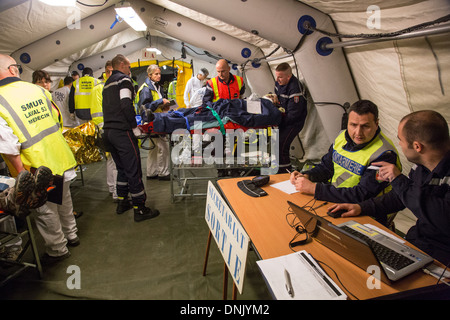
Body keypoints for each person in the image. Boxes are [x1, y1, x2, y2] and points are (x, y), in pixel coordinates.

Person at [328, 110, 450, 265]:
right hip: (419, 244)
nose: (399, 144)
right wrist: (361, 208)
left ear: (417, 146)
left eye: (401, 140)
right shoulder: (421, 167)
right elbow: (401, 197)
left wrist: (398, 179)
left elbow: (442, 218)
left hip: (442, 257)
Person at [0, 54, 80, 263]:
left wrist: (22, 179)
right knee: (64, 201)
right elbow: (57, 120)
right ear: (12, 70)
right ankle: (72, 235)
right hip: (60, 157)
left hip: (34, 166)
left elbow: (8, 146)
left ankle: (57, 250)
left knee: (46, 212)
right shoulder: (38, 90)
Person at [290, 100, 402, 225]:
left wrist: (314, 189)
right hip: (335, 201)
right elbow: (327, 167)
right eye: (353, 125)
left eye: (365, 126)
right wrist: (307, 175)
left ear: (376, 124)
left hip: (367, 216)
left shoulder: (384, 154)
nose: (358, 133)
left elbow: (362, 195)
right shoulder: (342, 137)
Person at [102, 54, 160, 222]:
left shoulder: (107, 83)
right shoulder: (124, 81)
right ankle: (140, 209)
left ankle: (122, 202)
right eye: (128, 66)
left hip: (109, 132)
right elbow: (126, 104)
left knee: (122, 169)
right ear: (122, 65)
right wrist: (134, 127)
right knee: (133, 170)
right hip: (122, 132)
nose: (130, 70)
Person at [135, 64, 171, 180]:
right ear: (149, 75)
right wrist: (160, 101)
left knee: (154, 148)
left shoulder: (156, 87)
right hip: (154, 121)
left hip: (157, 119)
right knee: (163, 147)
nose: (159, 76)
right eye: (156, 74)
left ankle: (152, 172)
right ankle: (163, 173)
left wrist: (164, 106)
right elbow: (144, 108)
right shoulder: (146, 89)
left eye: (159, 73)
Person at [274, 62, 308, 173]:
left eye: (280, 77)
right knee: (277, 143)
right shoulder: (278, 83)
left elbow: (294, 115)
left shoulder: (295, 88)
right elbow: (277, 96)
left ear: (288, 76)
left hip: (294, 123)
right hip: (283, 119)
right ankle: (279, 167)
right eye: (277, 76)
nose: (277, 79)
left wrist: (278, 121)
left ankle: (285, 172)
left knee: (281, 145)